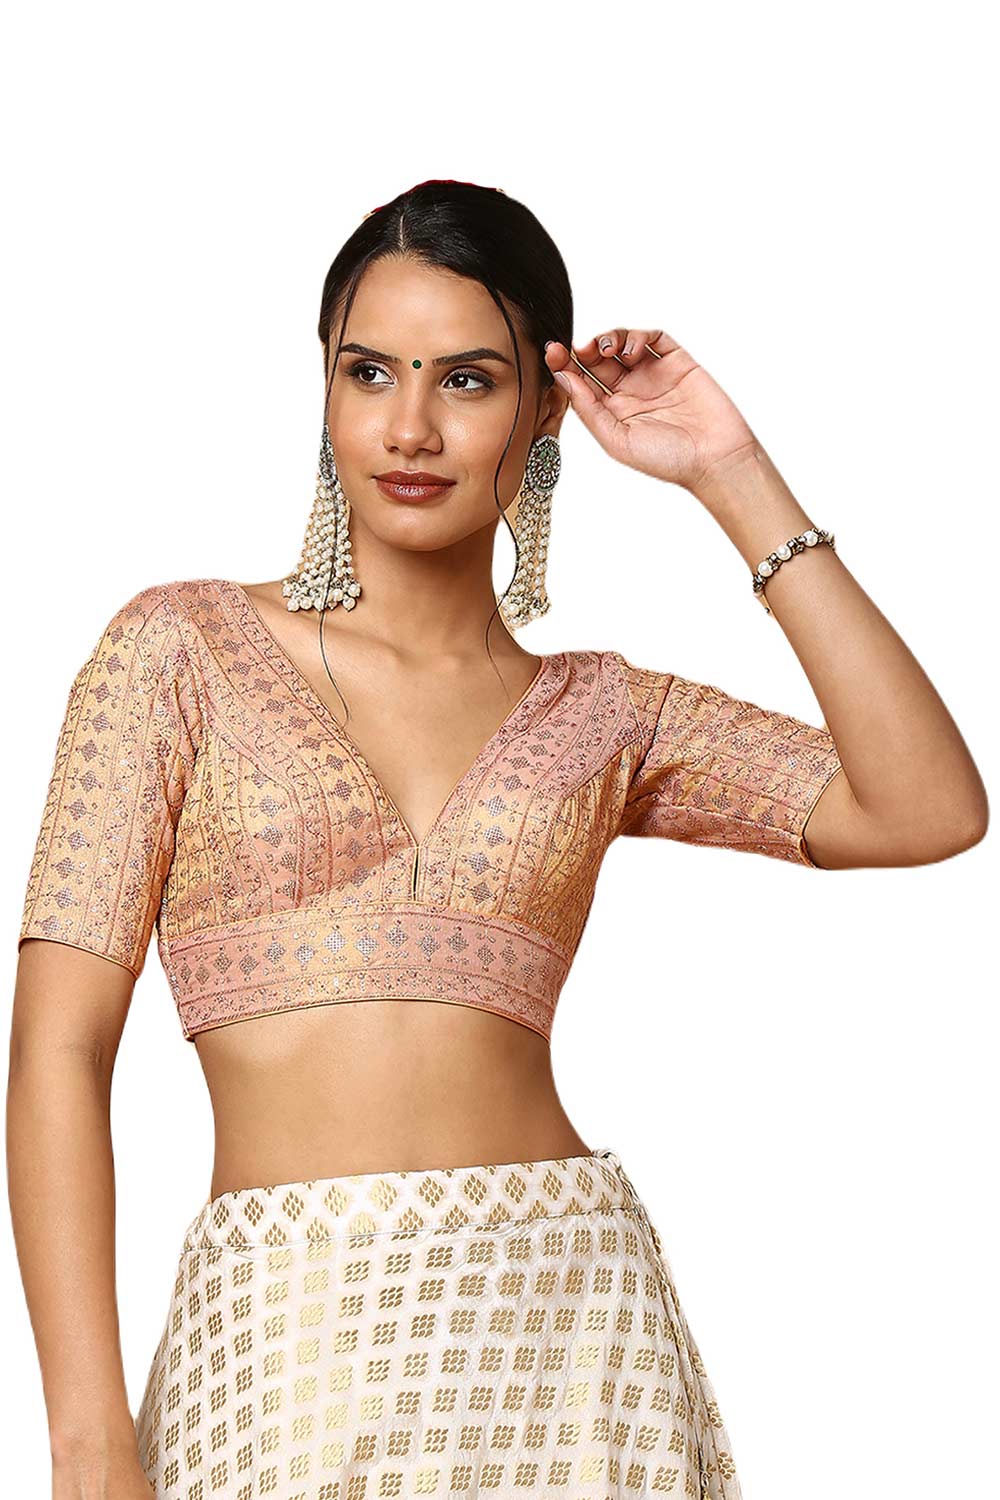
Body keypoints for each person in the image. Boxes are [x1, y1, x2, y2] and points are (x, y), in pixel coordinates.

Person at [8, 180, 987, 1500]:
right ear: (325, 384)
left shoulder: (605, 713)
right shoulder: (176, 652)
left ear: (544, 410)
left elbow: (927, 807)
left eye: (467, 380)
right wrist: (86, 1442)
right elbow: (60, 1051)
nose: (409, 427)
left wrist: (732, 476)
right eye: (369, 372)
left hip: (567, 1335)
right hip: (280, 1343)